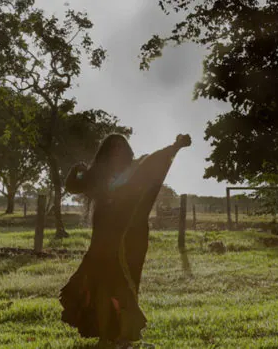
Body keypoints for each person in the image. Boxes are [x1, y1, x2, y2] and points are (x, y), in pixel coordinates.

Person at [59, 133, 191, 347]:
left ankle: (122, 336)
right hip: (103, 239)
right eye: (113, 148)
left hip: (132, 237)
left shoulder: (136, 171)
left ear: (128, 150)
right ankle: (106, 335)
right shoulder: (98, 175)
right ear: (106, 152)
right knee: (101, 284)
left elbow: (156, 161)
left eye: (121, 147)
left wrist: (175, 147)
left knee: (127, 284)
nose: (117, 152)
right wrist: (78, 170)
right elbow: (74, 185)